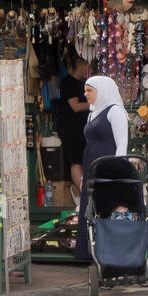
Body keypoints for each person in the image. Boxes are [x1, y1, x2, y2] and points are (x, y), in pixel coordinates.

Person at [73, 75, 129, 261]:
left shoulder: (115, 112)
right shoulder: (92, 113)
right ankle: (90, 252)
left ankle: (111, 252)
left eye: (89, 90)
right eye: (85, 90)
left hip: (108, 166)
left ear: (102, 91)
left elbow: (122, 144)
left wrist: (118, 171)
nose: (85, 94)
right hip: (91, 166)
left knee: (107, 206)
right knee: (90, 208)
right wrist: (83, 177)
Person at [58, 56, 92, 200]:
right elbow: (76, 106)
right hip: (71, 128)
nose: (89, 69)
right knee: (76, 160)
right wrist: (94, 104)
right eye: (87, 65)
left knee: (83, 160)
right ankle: (82, 194)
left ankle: (79, 191)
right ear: (79, 63)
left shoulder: (83, 83)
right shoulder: (68, 83)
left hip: (83, 128)